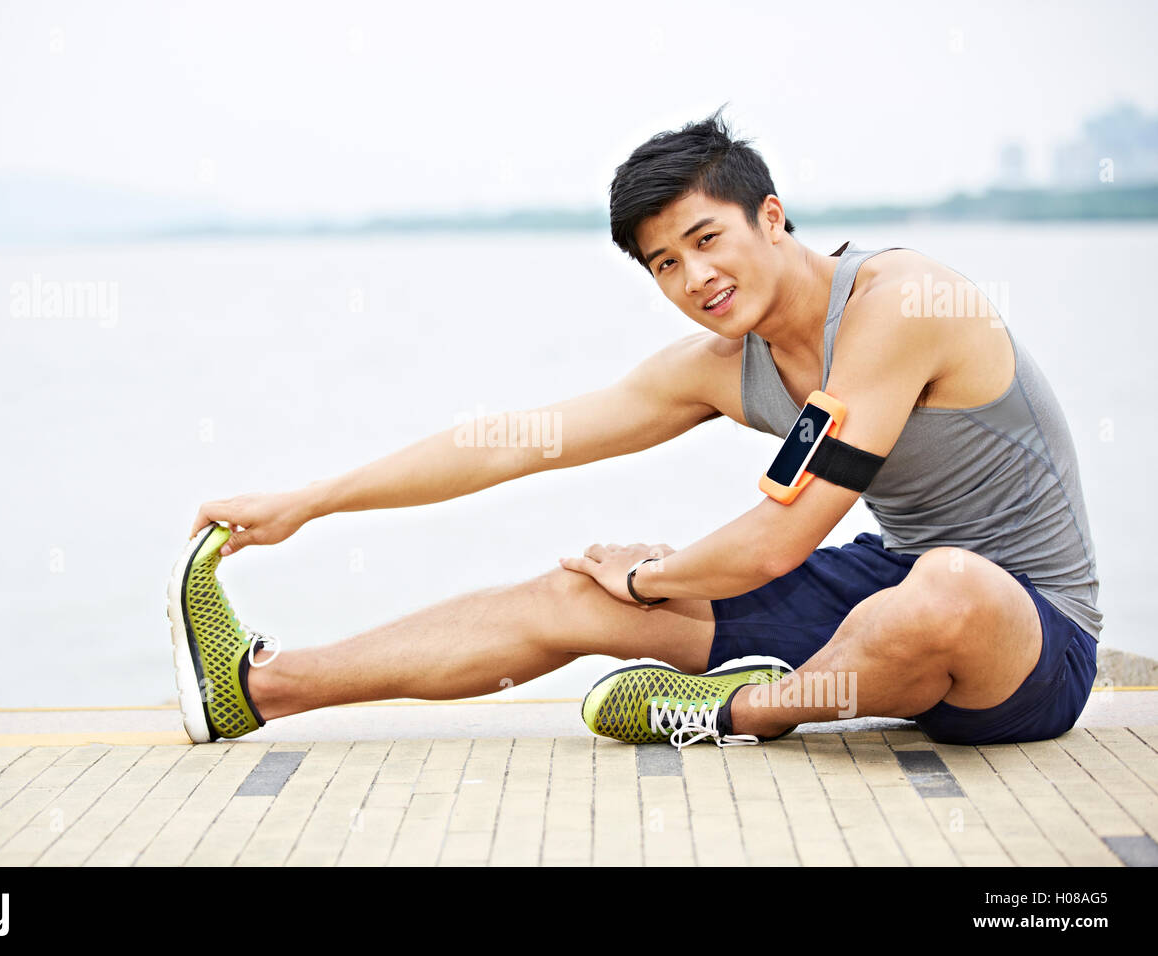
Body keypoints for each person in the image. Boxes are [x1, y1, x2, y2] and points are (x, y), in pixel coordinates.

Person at [168, 106, 1101, 749]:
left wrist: (654, 576)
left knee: (947, 587)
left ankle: (738, 712)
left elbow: (783, 533)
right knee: (574, 595)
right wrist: (311, 500)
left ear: (770, 217)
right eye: (664, 264)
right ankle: (256, 690)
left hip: (1029, 642)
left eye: (707, 240)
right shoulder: (719, 369)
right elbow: (516, 438)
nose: (694, 279)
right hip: (880, 591)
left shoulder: (900, 304)